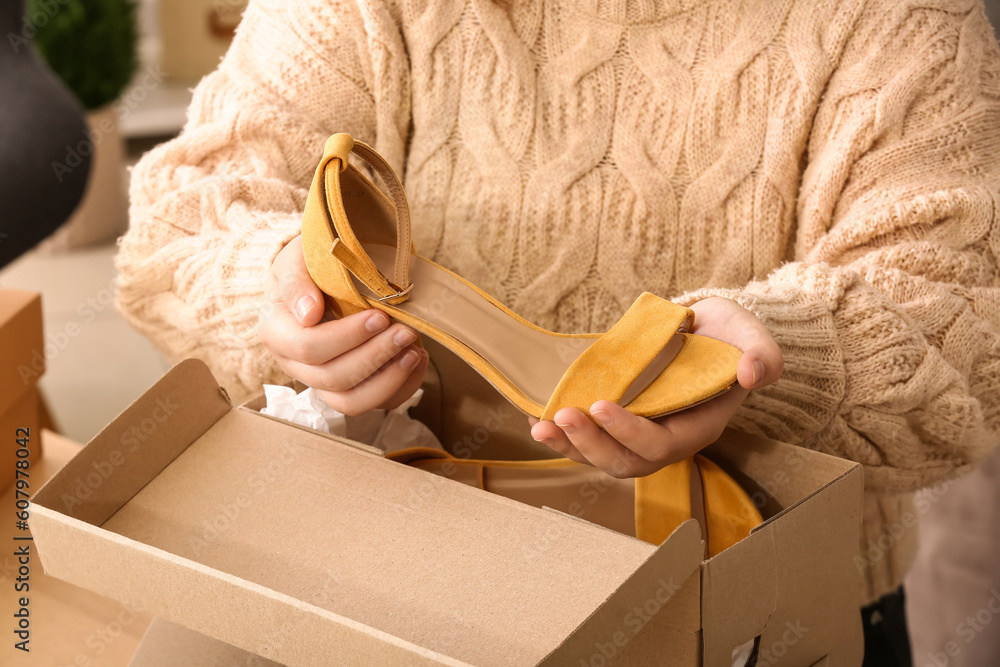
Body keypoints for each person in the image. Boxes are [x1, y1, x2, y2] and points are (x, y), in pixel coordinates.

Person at [115, 1, 1000, 664]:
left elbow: (970, 333)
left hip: (749, 608)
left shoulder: (900, 24)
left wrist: (785, 349)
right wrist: (277, 297)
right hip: (378, 583)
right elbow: (181, 222)